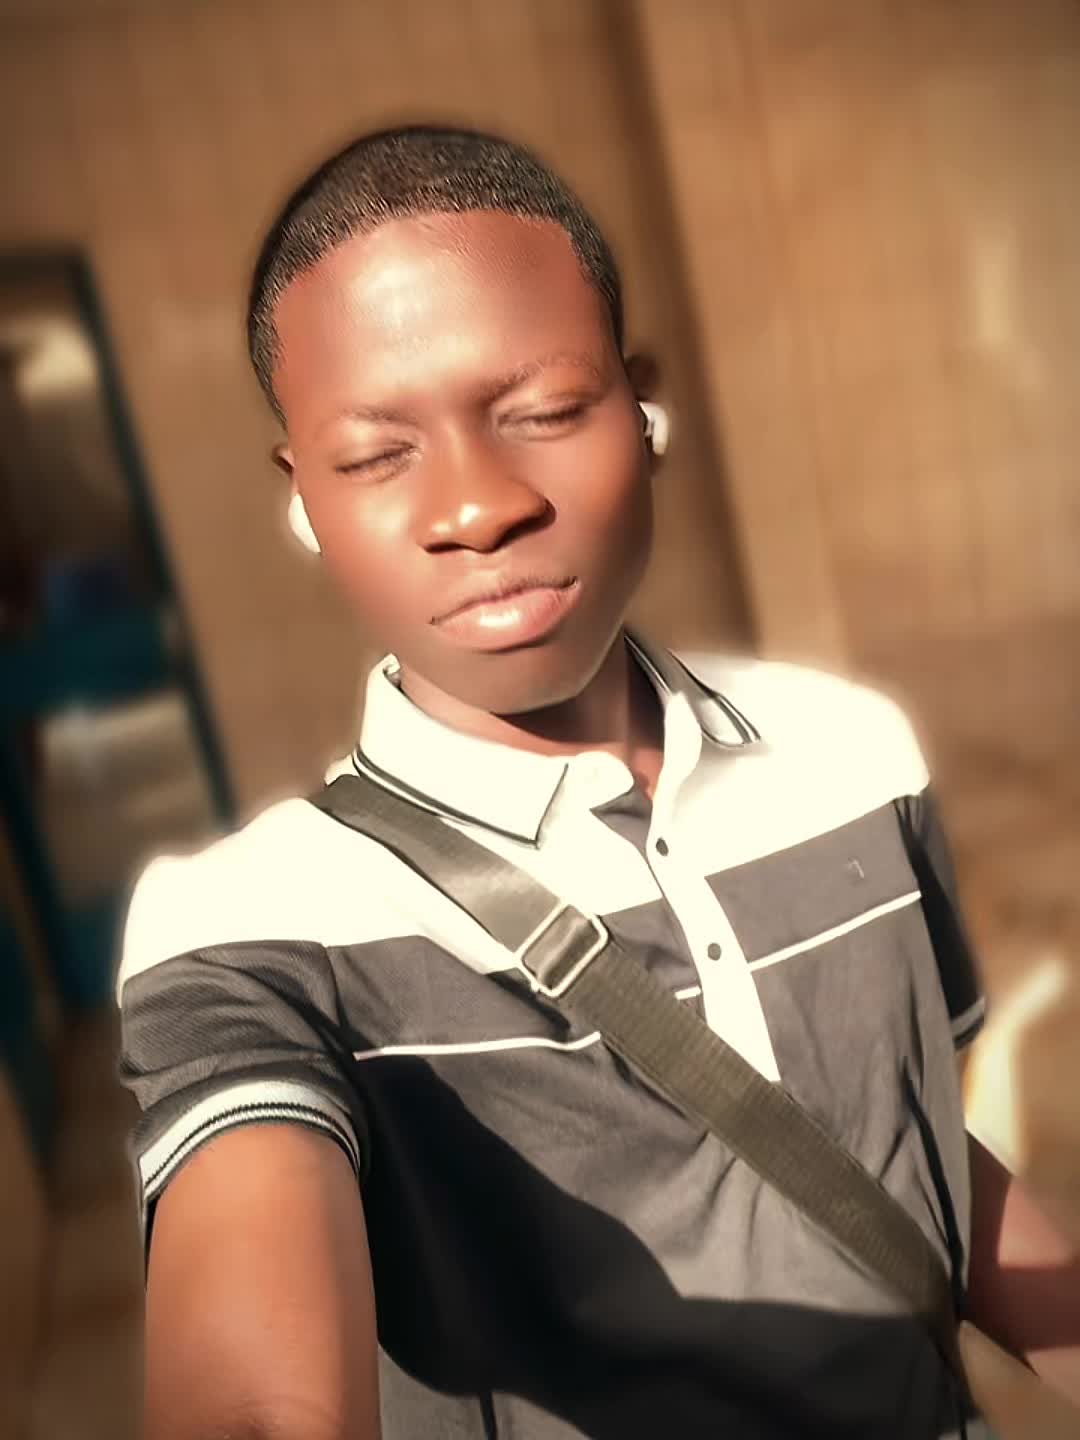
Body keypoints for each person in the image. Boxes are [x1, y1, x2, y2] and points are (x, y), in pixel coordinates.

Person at [117, 127, 1079, 1440]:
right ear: (303, 500)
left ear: (644, 407)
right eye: (378, 455)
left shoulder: (851, 755)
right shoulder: (251, 925)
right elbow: (254, 1385)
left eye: (543, 411)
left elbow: (909, 1151)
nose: (478, 508)